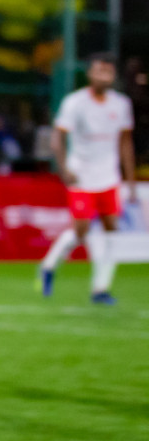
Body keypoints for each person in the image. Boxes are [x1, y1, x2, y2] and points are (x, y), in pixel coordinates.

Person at [37, 53, 137, 304]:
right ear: (90, 73)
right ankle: (49, 265)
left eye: (109, 72)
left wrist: (130, 180)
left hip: (109, 177)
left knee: (112, 230)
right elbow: (58, 137)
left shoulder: (121, 104)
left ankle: (101, 287)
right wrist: (63, 169)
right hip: (81, 175)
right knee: (81, 230)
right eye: (99, 70)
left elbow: (125, 143)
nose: (104, 76)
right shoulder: (75, 103)